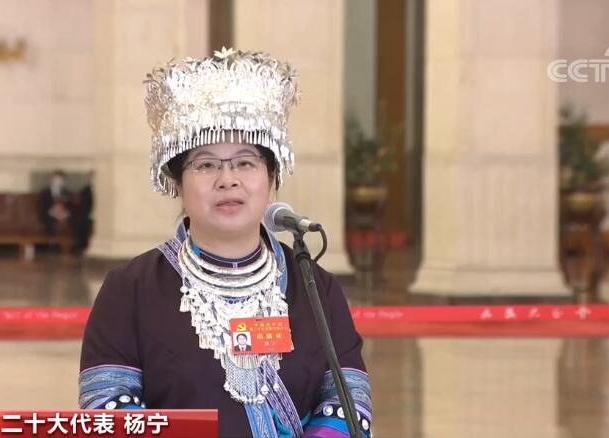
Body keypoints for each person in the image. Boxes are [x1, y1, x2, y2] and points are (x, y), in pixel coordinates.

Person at [79, 49, 372, 438]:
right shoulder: (130, 290)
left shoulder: (317, 289)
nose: (227, 179)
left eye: (245, 162)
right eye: (206, 165)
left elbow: (348, 405)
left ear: (271, 178)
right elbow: (108, 406)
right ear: (178, 184)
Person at [38, 170, 73, 237]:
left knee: (72, 221)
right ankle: (52, 239)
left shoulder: (66, 192)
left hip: (64, 214)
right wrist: (54, 211)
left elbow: (70, 206)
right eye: (56, 180)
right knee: (50, 223)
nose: (58, 182)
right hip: (49, 214)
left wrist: (64, 212)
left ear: (63, 182)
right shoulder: (45, 192)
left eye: (60, 180)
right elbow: (42, 207)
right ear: (51, 180)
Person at [72, 170, 94, 255]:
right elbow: (83, 206)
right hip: (88, 215)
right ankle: (81, 246)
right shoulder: (85, 190)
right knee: (79, 221)